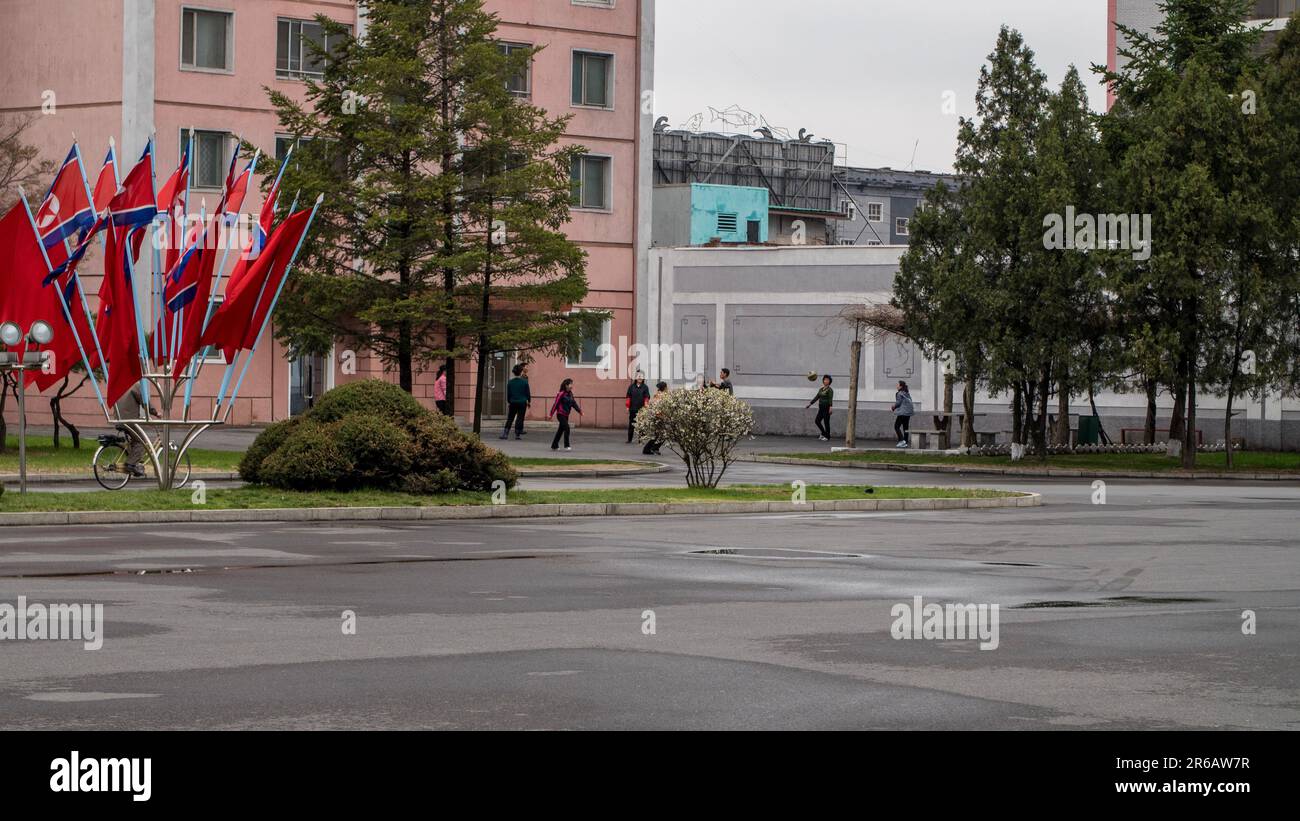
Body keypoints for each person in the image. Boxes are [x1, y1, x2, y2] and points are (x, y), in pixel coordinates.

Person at [548, 378, 582, 450]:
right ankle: (567, 445)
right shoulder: (561, 394)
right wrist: (551, 414)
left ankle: (554, 445)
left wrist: (579, 411)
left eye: (572, 384)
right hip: (560, 414)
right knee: (567, 428)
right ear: (566, 385)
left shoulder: (570, 394)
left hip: (566, 415)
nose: (572, 386)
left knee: (560, 430)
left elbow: (573, 403)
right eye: (570, 384)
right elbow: (556, 404)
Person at [500, 363, 531, 440]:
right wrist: (529, 401)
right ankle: (517, 434)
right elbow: (528, 393)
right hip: (522, 402)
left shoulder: (510, 382)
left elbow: (509, 394)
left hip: (513, 402)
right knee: (520, 418)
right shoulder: (524, 382)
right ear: (521, 372)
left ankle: (505, 433)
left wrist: (509, 401)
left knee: (510, 418)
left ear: (513, 372)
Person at [641, 381, 669, 455]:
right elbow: (659, 408)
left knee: (658, 434)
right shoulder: (661, 396)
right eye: (666, 387)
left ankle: (649, 449)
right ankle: (652, 448)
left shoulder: (657, 395)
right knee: (662, 434)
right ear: (665, 387)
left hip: (657, 417)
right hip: (659, 417)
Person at [625, 372, 651, 443]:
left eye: (641, 376)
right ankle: (629, 439)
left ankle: (641, 440)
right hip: (633, 408)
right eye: (638, 376)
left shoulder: (645, 387)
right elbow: (628, 397)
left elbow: (647, 397)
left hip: (641, 409)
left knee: (641, 425)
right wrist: (627, 407)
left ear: (643, 378)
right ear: (636, 378)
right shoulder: (631, 387)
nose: (640, 378)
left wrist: (646, 405)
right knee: (631, 424)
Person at [806, 375, 833, 441]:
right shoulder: (821, 389)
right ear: (823, 381)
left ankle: (827, 436)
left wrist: (830, 407)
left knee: (826, 422)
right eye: (825, 380)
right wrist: (810, 404)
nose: (826, 381)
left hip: (827, 408)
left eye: (827, 380)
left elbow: (830, 399)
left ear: (829, 381)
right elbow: (817, 397)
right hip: (821, 408)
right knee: (817, 421)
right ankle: (823, 433)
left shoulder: (830, 390)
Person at [892, 380, 915, 447]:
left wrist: (893, 406)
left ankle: (901, 441)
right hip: (908, 412)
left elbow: (898, 403)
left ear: (900, 386)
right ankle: (905, 442)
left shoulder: (899, 393)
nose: (896, 386)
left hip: (903, 412)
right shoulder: (906, 393)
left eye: (897, 385)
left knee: (896, 426)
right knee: (905, 427)